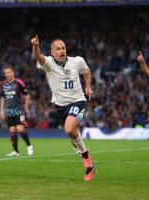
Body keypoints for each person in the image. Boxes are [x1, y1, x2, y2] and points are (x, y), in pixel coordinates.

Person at [31, 35, 95, 181]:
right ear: (52, 52)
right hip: (61, 106)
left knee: (69, 129)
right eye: (58, 49)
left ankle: (86, 156)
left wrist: (88, 86)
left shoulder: (77, 61)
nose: (61, 51)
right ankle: (89, 167)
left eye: (63, 48)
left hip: (78, 101)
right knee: (73, 138)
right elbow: (39, 58)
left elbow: (86, 71)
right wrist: (35, 46)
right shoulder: (49, 64)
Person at [0, 66, 33, 157]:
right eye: (5, 73)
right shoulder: (4, 84)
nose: (7, 74)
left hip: (19, 110)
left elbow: (27, 94)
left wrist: (26, 106)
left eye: (9, 72)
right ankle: (16, 151)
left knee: (20, 129)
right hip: (9, 111)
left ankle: (29, 145)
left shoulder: (19, 82)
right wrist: (2, 110)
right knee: (12, 130)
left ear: (13, 73)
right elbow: (2, 97)